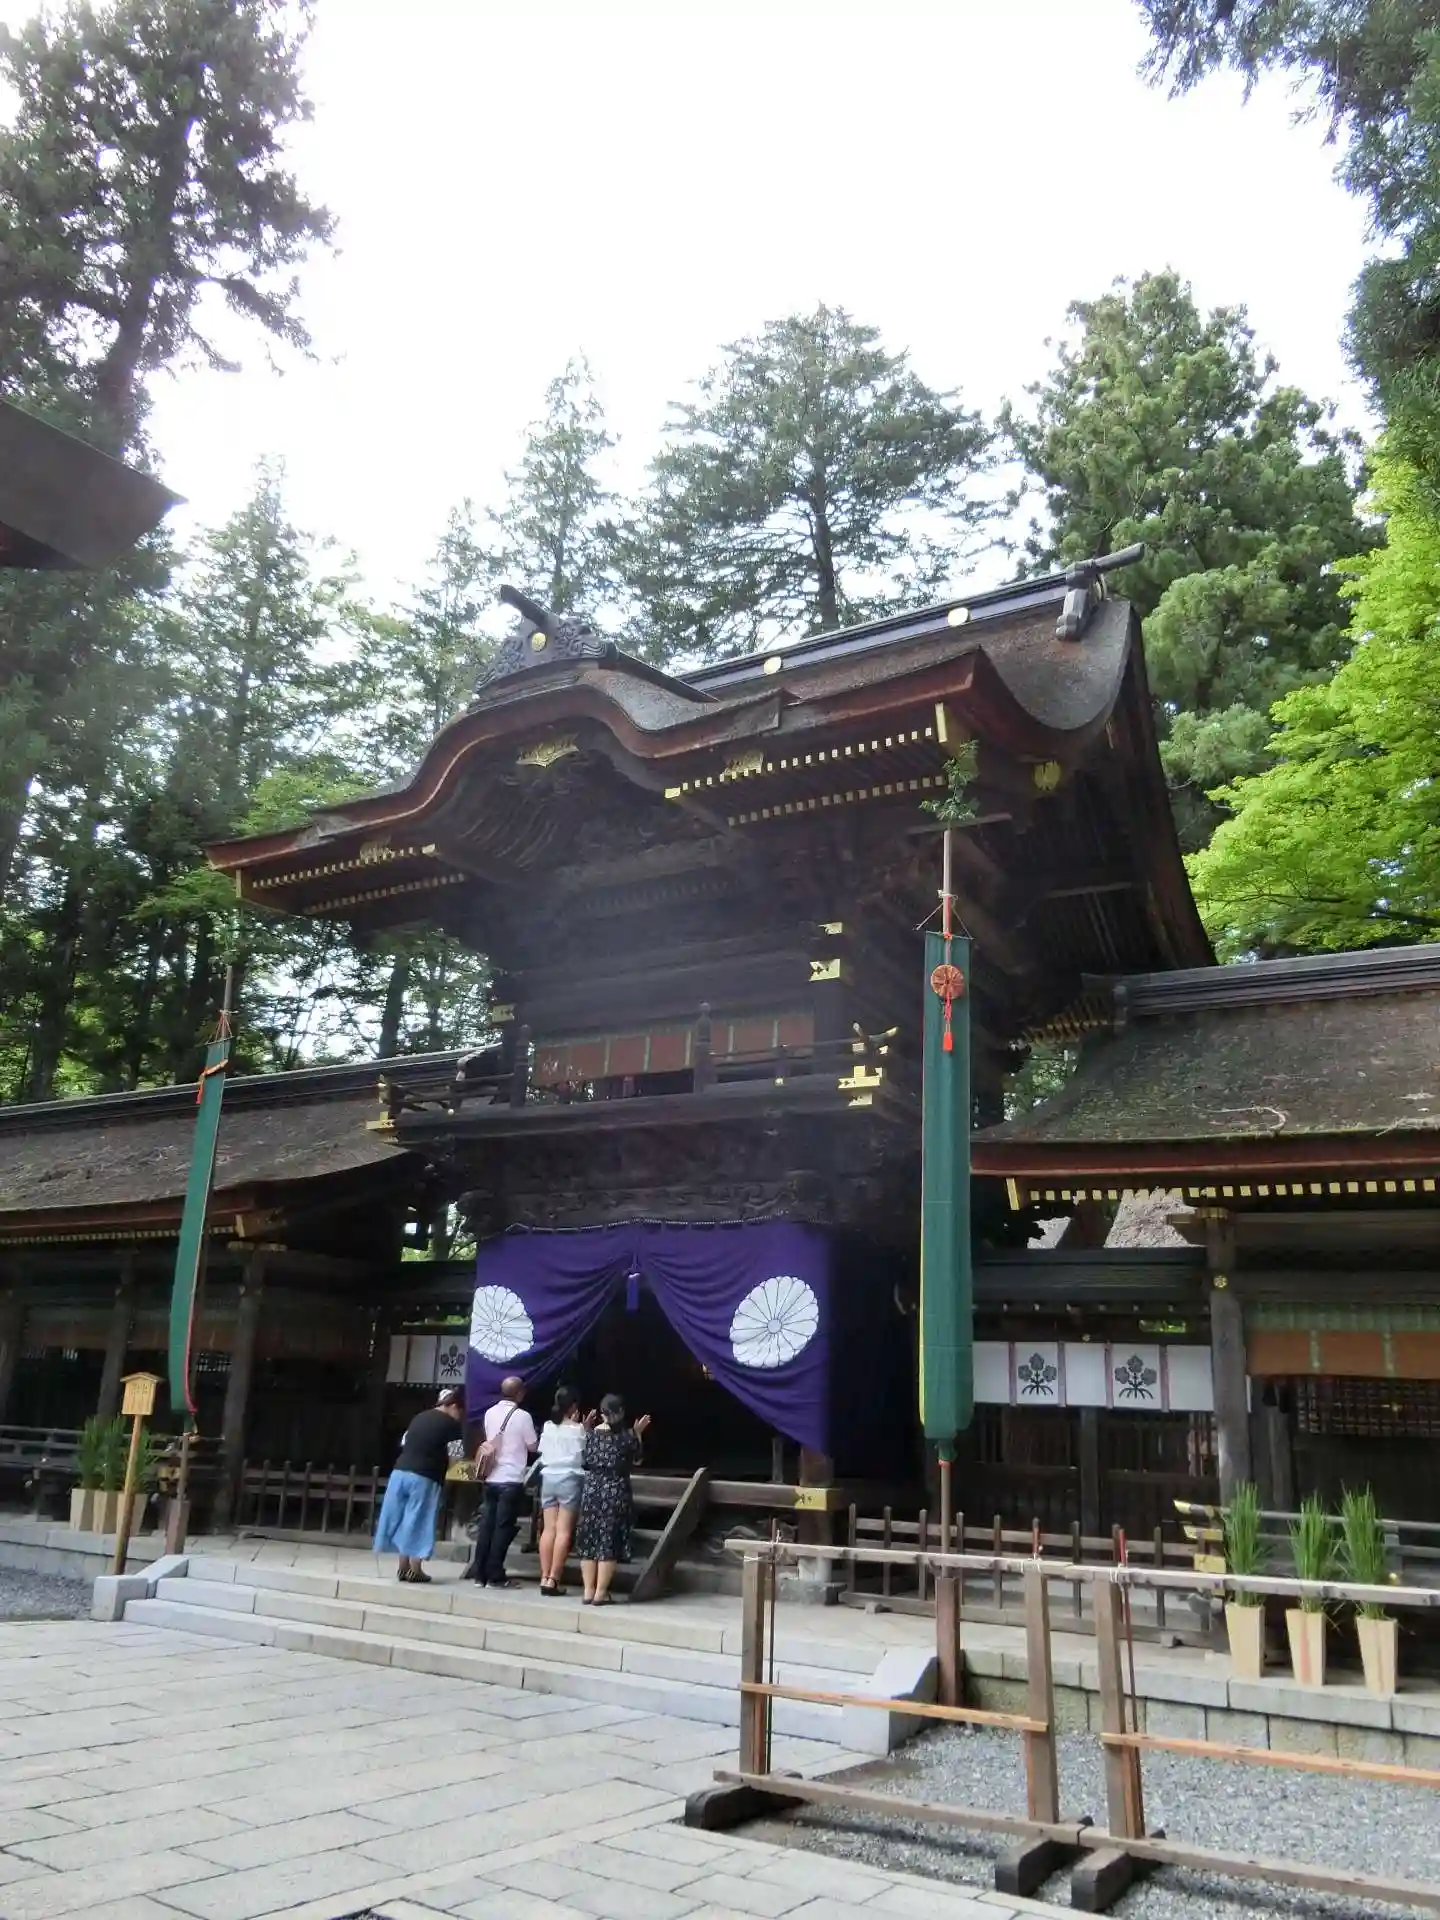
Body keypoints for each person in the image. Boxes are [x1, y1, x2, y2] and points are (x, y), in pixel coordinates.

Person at [374, 1386, 466, 1584]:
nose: (460, 1416)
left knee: (403, 1518)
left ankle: (403, 1567)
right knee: (419, 1519)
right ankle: (415, 1569)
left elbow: (404, 1442)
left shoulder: (419, 1417)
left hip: (400, 1472)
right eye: (460, 1412)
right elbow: (456, 1458)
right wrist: (449, 1478)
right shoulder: (452, 1425)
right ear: (454, 1406)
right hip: (425, 1476)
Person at [577, 1393, 650, 1606]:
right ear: (622, 1412)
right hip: (615, 1492)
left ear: (602, 1413)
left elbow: (585, 1461)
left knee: (589, 1540)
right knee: (608, 1541)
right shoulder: (626, 1437)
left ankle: (588, 1591)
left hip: (591, 1491)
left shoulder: (591, 1435)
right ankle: (601, 1593)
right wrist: (638, 1433)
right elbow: (638, 1459)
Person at [466, 1375, 537, 1588]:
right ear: (519, 1393)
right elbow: (533, 1446)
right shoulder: (523, 1416)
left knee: (487, 1526)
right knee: (503, 1527)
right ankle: (495, 1574)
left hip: (491, 1477)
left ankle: (480, 1574)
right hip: (511, 1478)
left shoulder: (489, 1413)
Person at [536, 1385, 586, 1595]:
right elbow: (582, 1455)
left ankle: (544, 1576)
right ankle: (554, 1579)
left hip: (548, 1477)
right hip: (570, 1478)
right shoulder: (577, 1429)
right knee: (563, 1530)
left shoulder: (548, 1426)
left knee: (548, 1529)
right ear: (573, 1406)